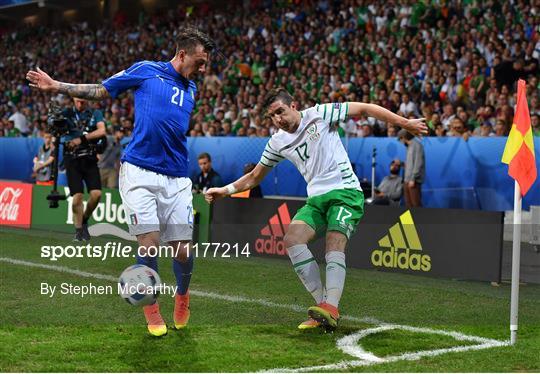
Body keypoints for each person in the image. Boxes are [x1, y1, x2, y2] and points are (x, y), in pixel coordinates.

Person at [26, 27, 217, 337]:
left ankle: (182, 294)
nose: (204, 68)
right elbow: (102, 90)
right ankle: (151, 307)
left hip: (178, 177)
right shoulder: (146, 71)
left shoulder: (192, 88)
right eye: (200, 61)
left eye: (206, 63)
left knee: (182, 250)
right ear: (182, 55)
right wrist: (55, 86)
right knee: (150, 242)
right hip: (139, 172)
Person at [205, 88, 427, 330]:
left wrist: (404, 122)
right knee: (292, 239)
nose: (278, 119)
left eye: (280, 111)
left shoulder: (319, 114)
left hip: (345, 193)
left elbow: (363, 108)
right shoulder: (277, 141)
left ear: (293, 106)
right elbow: (255, 177)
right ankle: (323, 306)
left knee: (334, 241)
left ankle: (331, 306)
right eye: (272, 116)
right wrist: (224, 190)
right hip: (316, 200)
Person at [61, 98, 106, 241]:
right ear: (73, 99)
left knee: (97, 194)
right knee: (77, 197)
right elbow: (57, 129)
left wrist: (82, 139)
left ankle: (85, 219)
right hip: (72, 158)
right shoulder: (66, 113)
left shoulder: (95, 113)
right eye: (78, 101)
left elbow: (102, 131)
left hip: (89, 157)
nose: (80, 104)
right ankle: (79, 230)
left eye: (83, 101)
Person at [398, 129, 425, 208]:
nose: (400, 142)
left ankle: (419, 220)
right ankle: (410, 221)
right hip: (407, 180)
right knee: (408, 205)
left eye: (400, 139)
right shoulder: (409, 147)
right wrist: (402, 163)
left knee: (416, 204)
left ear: (403, 137)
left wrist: (413, 178)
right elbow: (410, 164)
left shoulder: (417, 145)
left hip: (413, 181)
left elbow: (418, 163)